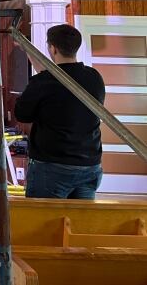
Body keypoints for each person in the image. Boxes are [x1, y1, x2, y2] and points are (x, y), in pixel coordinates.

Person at [14, 24, 105, 199]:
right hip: (89, 165)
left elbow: (22, 114)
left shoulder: (42, 82)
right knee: (79, 223)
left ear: (53, 49)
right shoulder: (94, 77)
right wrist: (28, 50)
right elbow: (58, 79)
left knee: (43, 222)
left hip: (52, 166)